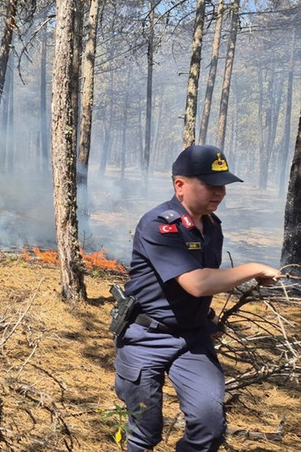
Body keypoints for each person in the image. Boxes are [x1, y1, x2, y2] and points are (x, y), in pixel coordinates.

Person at [113, 144, 281, 452]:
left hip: (191, 338)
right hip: (145, 338)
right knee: (144, 433)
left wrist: (206, 317)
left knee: (209, 426)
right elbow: (197, 283)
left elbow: (196, 285)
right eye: (210, 185)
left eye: (223, 186)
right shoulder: (159, 225)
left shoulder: (212, 227)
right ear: (180, 185)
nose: (219, 193)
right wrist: (253, 268)